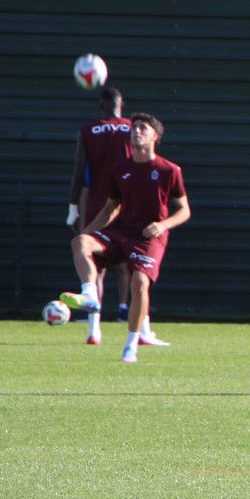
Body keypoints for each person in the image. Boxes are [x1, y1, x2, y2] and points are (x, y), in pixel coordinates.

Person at [61, 113, 192, 363]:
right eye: (134, 128)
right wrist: (88, 232)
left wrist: (162, 225)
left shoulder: (169, 170)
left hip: (149, 239)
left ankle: (131, 344)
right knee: (80, 242)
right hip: (122, 233)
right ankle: (90, 295)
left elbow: (184, 210)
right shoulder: (120, 169)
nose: (136, 131)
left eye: (143, 128)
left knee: (139, 283)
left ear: (155, 136)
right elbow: (110, 209)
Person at [66, 88, 166, 347]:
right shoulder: (132, 128)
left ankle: (94, 330)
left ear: (101, 105)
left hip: (101, 205)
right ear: (122, 104)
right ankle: (142, 329)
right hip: (130, 207)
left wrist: (73, 209)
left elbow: (78, 174)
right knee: (137, 270)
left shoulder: (88, 131)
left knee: (94, 265)